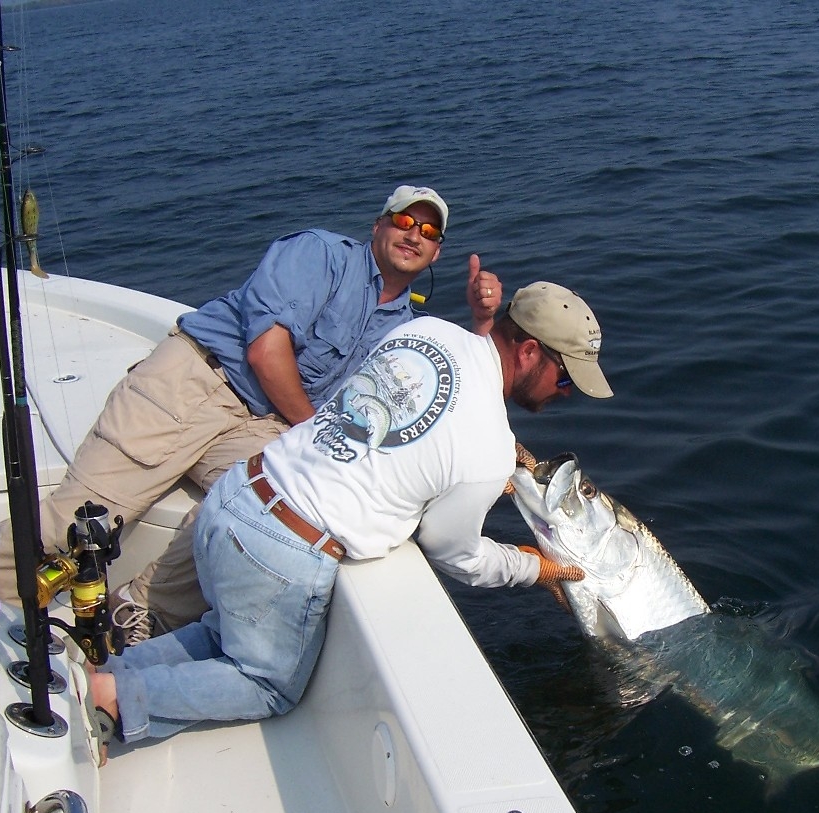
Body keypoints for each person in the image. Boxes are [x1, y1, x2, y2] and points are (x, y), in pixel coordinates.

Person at [87, 281, 611, 754]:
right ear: (529, 351)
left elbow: (400, 419)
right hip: (281, 551)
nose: (563, 396)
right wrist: (529, 566)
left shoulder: (427, 330)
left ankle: (105, 673)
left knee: (221, 633)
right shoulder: (488, 451)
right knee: (268, 686)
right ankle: (119, 697)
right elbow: (456, 555)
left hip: (238, 493)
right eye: (565, 381)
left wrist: (487, 459)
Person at [0, 185, 507, 638]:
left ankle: (138, 611)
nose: (414, 234)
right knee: (78, 524)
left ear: (437, 252)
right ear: (378, 224)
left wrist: (482, 323)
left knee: (263, 511)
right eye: (404, 220)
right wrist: (310, 431)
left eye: (429, 231)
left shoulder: (404, 325)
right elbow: (266, 351)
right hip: (197, 380)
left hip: (264, 421)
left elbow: (449, 388)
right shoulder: (321, 254)